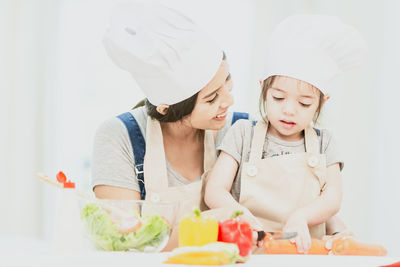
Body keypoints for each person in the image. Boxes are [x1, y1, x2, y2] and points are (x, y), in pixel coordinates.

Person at [204, 14, 367, 254]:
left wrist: (301, 217)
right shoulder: (242, 134)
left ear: (322, 101)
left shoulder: (325, 143)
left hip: (305, 254)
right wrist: (243, 216)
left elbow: (332, 198)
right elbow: (215, 190)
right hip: (249, 252)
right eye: (278, 98)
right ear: (263, 89)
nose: (289, 110)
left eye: (304, 103)